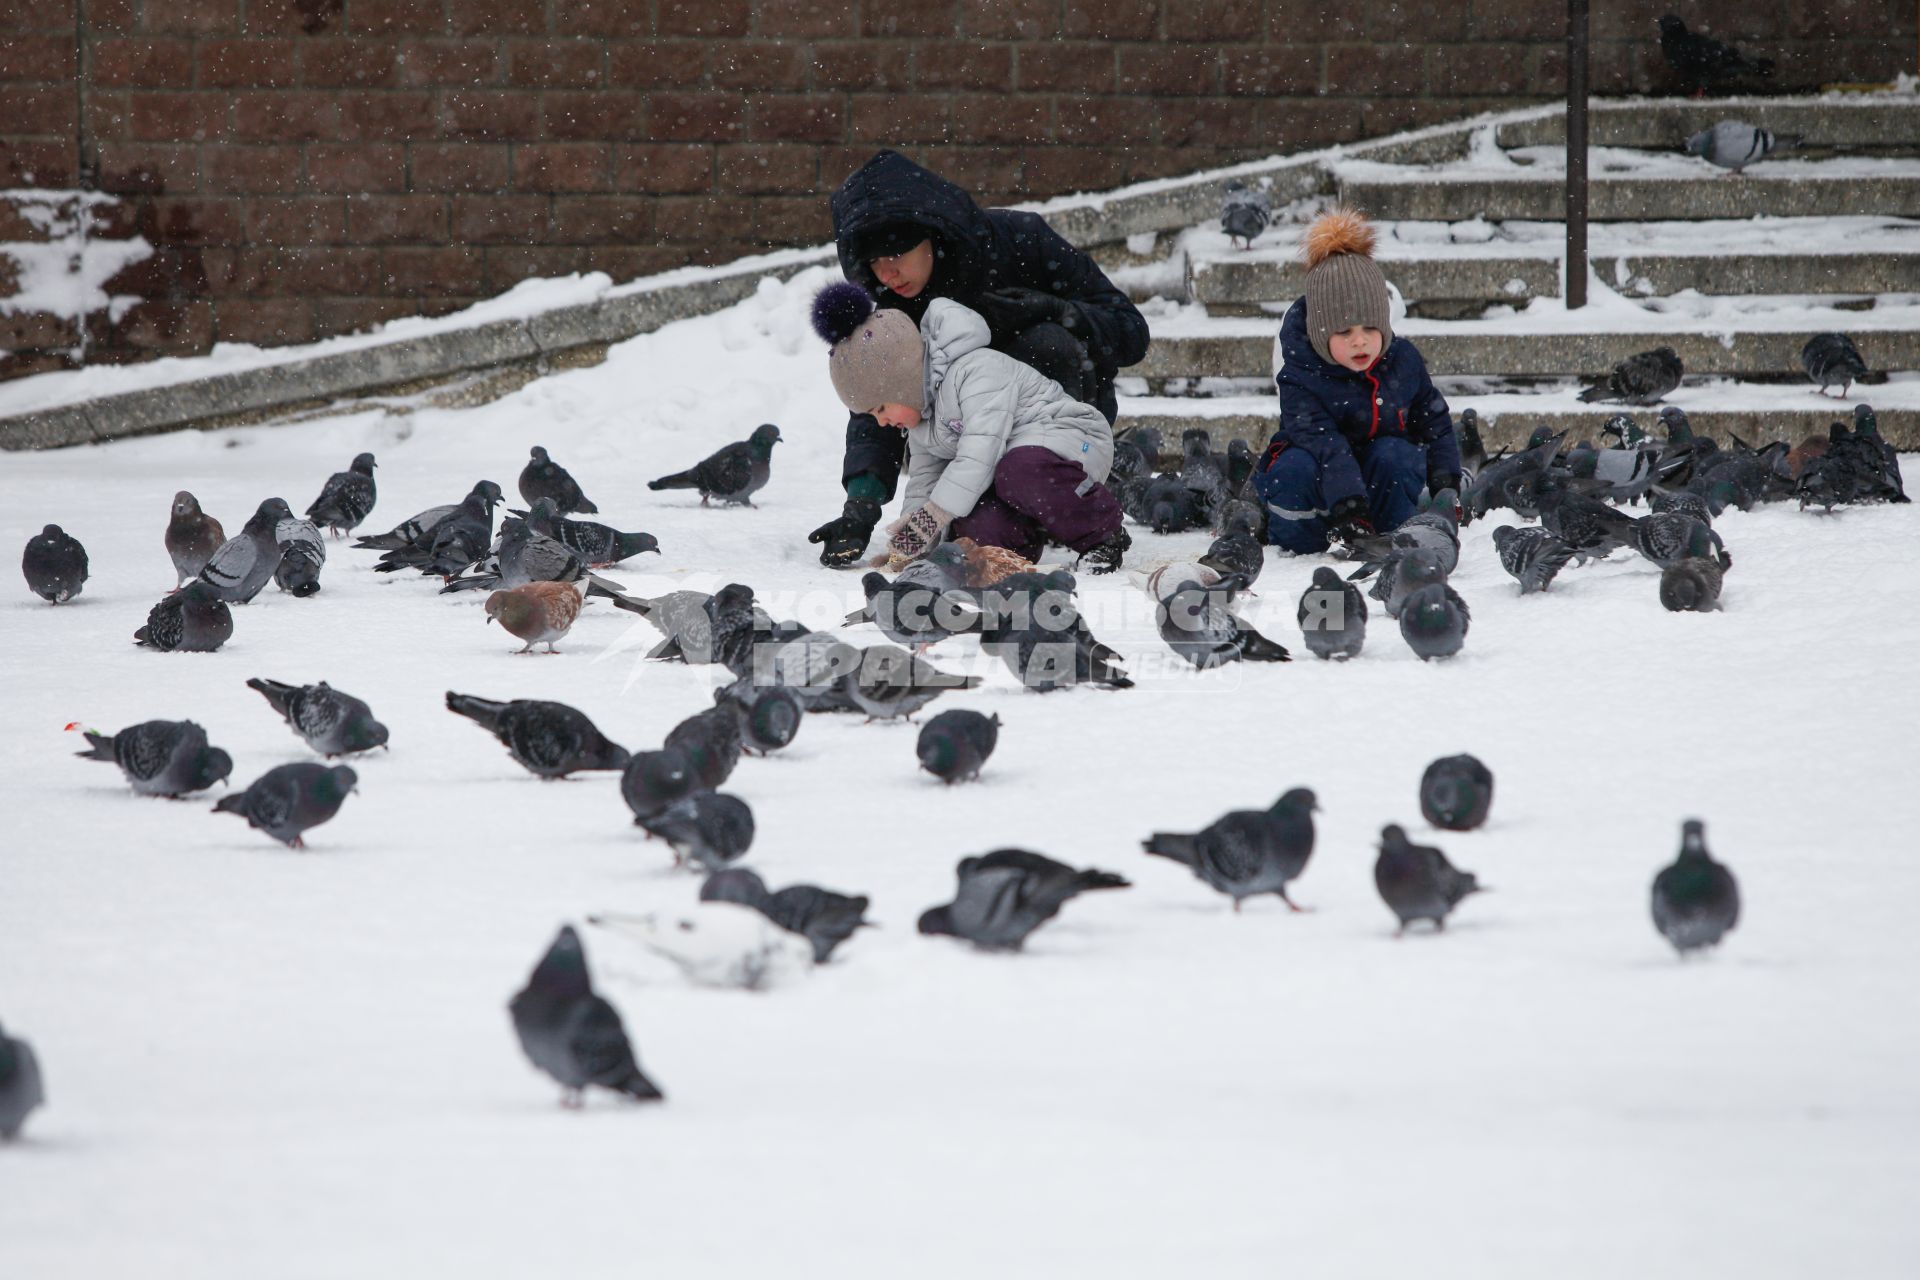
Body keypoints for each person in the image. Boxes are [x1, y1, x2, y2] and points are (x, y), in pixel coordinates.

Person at [808, 150, 1151, 567]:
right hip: (966, 445)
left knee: (1045, 350)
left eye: (895, 257)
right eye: (874, 263)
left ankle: (1071, 497)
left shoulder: (1021, 241)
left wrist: (1056, 310)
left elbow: (1131, 334)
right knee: (980, 539)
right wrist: (862, 503)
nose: (886, 275)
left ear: (930, 234)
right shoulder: (893, 304)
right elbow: (879, 397)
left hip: (1053, 428)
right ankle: (1015, 524)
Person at [811, 282, 1127, 571]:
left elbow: (980, 455)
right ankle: (1023, 544)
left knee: (1018, 470)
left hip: (1069, 441)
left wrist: (933, 517)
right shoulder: (923, 423)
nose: (880, 421)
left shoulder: (975, 372)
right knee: (977, 530)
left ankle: (1103, 532)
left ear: (902, 383)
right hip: (1011, 472)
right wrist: (909, 548)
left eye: (879, 408)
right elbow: (924, 484)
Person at [1253, 209, 1462, 553]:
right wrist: (1350, 508)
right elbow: (1325, 444)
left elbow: (1435, 421)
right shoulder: (1301, 376)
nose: (1360, 341)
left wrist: (1445, 481)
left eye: (1369, 328)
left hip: (1376, 483)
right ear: (1320, 334)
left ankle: (1387, 533)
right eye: (1344, 332)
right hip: (1320, 479)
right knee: (1295, 468)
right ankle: (1298, 539)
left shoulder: (1402, 362)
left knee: (1395, 454)